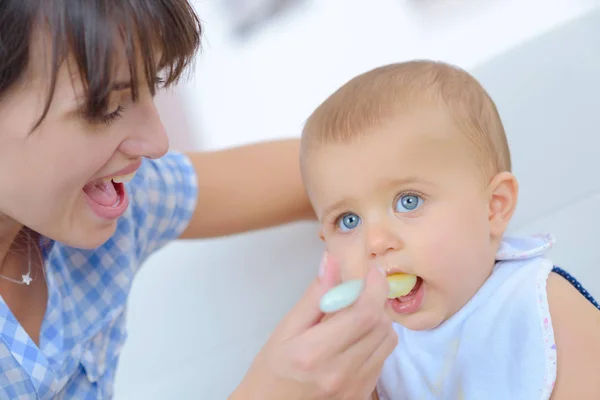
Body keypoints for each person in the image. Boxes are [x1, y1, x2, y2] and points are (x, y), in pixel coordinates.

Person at [0, 1, 397, 398]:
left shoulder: (114, 199)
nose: (158, 143)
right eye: (107, 107)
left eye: (151, 86)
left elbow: (340, 172)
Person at [299, 60, 600, 399]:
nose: (376, 242)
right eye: (348, 221)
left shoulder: (540, 306)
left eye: (409, 201)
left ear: (494, 206)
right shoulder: (373, 353)